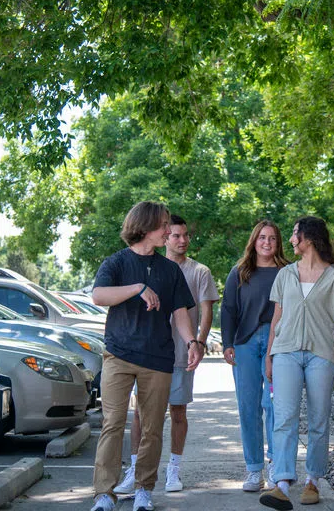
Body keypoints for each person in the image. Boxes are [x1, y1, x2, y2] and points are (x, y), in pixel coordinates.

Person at [90, 201, 205, 511]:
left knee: (153, 428)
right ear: (144, 226)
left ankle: (143, 489)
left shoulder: (171, 270)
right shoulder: (116, 263)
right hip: (119, 355)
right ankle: (104, 494)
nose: (168, 231)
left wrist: (192, 341)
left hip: (158, 360)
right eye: (163, 225)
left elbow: (180, 311)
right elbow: (99, 296)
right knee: (113, 423)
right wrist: (138, 287)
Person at [114, 214, 219, 495]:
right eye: (175, 235)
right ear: (164, 236)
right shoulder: (149, 267)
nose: (182, 240)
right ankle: (135, 471)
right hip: (149, 352)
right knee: (141, 415)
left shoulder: (199, 272)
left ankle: (173, 469)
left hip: (181, 351)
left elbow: (206, 310)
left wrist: (198, 341)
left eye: (185, 235)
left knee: (178, 411)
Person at [259, 216, 334, 511]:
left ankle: (313, 480)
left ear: (308, 238)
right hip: (286, 351)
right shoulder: (285, 274)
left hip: (321, 354)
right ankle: (283, 483)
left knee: (318, 417)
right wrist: (270, 354)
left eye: (294, 235)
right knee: (284, 415)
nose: (290, 240)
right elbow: (277, 316)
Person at [221, 220, 289, 492]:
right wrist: (227, 343)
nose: (267, 242)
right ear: (254, 240)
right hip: (246, 343)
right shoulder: (240, 272)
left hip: (278, 344)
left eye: (272, 238)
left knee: (272, 403)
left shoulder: (287, 272)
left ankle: (275, 464)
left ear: (278, 242)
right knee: (248, 406)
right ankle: (253, 470)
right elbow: (228, 309)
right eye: (262, 237)